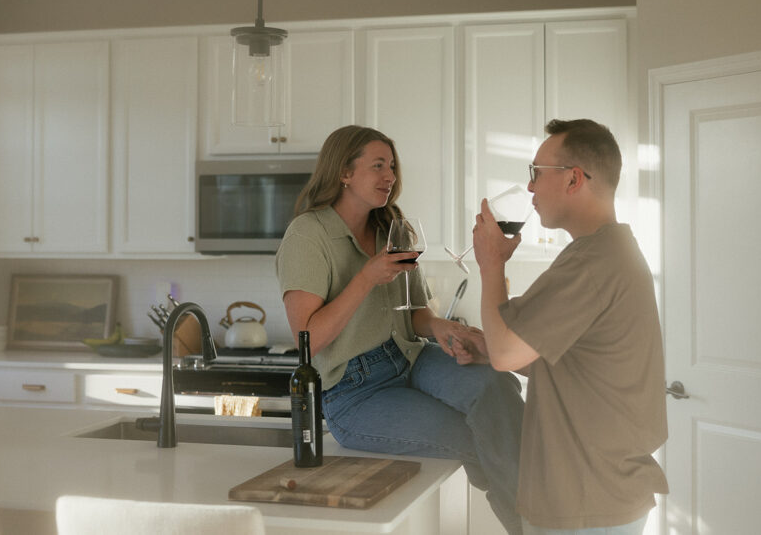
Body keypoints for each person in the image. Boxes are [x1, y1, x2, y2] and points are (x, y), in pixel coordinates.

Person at [276, 124, 525, 535]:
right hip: (354, 391)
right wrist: (365, 277)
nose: (389, 176)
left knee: (496, 384)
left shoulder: (394, 228)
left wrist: (442, 327)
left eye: (391, 165)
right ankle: (529, 524)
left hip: (409, 357)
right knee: (470, 431)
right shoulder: (308, 234)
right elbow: (308, 338)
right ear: (344, 172)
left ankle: (539, 516)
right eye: (377, 165)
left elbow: (416, 314)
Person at [472, 118, 668, 535]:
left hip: (586, 502)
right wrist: (481, 345)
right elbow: (565, 362)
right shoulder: (607, 251)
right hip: (599, 496)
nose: (530, 188)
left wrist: (492, 266)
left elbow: (507, 354)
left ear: (574, 179)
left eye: (536, 174)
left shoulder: (592, 262)